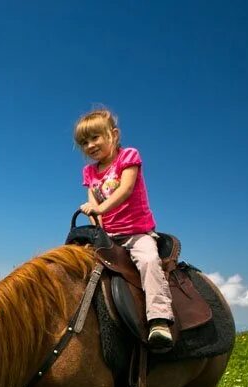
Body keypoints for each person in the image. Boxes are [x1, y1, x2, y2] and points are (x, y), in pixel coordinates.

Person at [75, 108, 174, 349]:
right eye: (84, 142)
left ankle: (159, 319)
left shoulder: (128, 157)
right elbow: (92, 203)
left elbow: (125, 190)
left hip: (135, 232)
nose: (90, 145)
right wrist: (95, 225)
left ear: (114, 134)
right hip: (108, 236)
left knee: (149, 260)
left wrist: (100, 209)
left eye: (95, 137)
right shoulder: (90, 172)